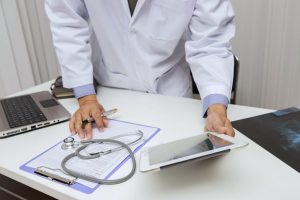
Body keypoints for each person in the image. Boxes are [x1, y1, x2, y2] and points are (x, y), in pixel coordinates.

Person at [45, 0, 235, 139]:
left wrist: (216, 108)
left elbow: (210, 42)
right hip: (107, 94)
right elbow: (67, 21)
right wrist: (86, 98)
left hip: (169, 95)